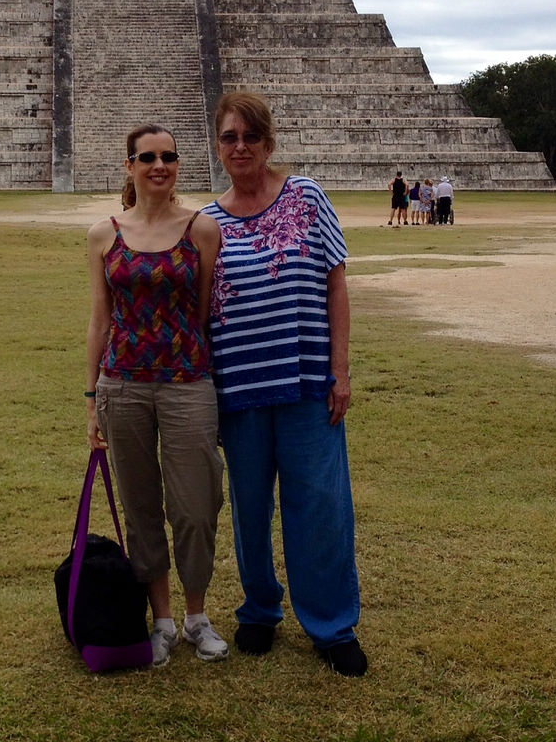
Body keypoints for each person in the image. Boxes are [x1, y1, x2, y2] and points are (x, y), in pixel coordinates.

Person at [202, 91, 367, 677]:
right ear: (217, 146)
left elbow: (336, 284)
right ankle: (259, 609)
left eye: (250, 136)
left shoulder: (307, 196)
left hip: (306, 383)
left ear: (269, 141)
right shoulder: (208, 224)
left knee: (320, 506)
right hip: (239, 392)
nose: (240, 147)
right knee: (249, 508)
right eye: (229, 137)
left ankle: (331, 623)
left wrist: (340, 371)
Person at [86, 124, 227, 667]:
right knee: (141, 506)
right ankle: (162, 621)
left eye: (169, 156)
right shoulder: (104, 234)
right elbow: (101, 319)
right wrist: (91, 395)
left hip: (188, 382)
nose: (159, 165)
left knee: (196, 504)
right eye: (148, 157)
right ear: (130, 166)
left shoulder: (201, 229)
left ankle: (197, 616)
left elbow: (203, 311)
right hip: (122, 384)